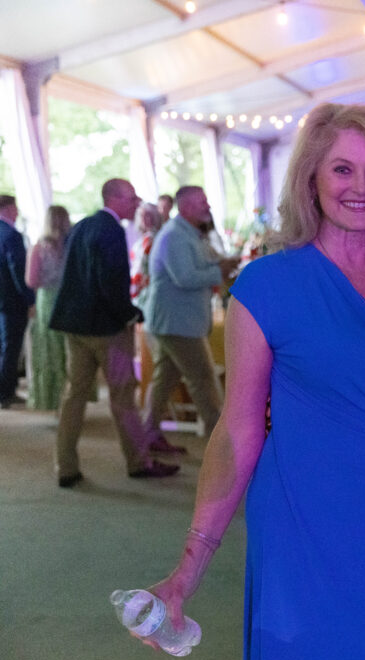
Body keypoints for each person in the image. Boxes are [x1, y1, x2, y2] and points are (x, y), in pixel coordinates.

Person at [142, 103, 365, 660]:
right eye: (342, 169)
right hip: (306, 520)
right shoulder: (266, 286)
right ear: (311, 179)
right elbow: (238, 429)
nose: (361, 187)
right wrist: (189, 567)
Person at [49, 180, 179, 486]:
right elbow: (109, 283)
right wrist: (130, 314)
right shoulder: (111, 230)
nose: (136, 203)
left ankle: (64, 466)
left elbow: (74, 276)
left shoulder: (82, 226)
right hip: (105, 328)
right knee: (123, 398)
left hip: (74, 326)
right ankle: (139, 462)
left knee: (73, 396)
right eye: (132, 198)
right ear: (115, 198)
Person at [141, 186, 238, 444]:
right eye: (202, 202)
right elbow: (184, 277)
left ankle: (147, 434)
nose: (208, 206)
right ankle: (223, 447)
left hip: (178, 322)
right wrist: (220, 272)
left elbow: (196, 266)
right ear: (184, 208)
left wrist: (220, 265)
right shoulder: (174, 236)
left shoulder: (189, 234)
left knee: (165, 379)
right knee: (204, 381)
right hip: (177, 323)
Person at [25, 205, 72, 410]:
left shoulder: (40, 247)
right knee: (68, 349)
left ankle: (52, 399)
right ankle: (70, 398)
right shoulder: (72, 245)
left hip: (48, 300)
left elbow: (31, 280)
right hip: (69, 300)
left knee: (48, 349)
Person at [0, 194, 34, 408]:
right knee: (11, 347)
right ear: (7, 209)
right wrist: (29, 298)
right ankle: (5, 392)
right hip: (11, 301)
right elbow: (18, 270)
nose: (18, 212)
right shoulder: (11, 235)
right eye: (15, 208)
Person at [129, 202, 164, 303]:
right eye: (142, 216)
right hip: (139, 287)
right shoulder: (140, 241)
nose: (145, 219)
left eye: (148, 216)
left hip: (151, 287)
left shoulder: (156, 238)